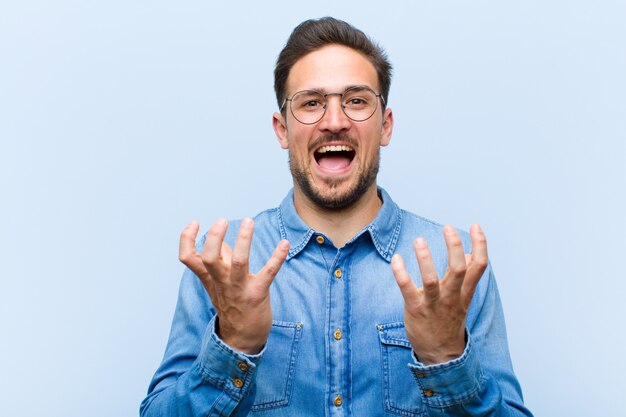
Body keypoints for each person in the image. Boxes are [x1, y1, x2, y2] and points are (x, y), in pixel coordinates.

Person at [140, 17, 533, 417]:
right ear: (282, 129)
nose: (334, 121)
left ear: (386, 125)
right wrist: (234, 344)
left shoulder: (455, 265)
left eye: (357, 100)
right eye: (311, 103)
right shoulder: (223, 263)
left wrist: (446, 358)